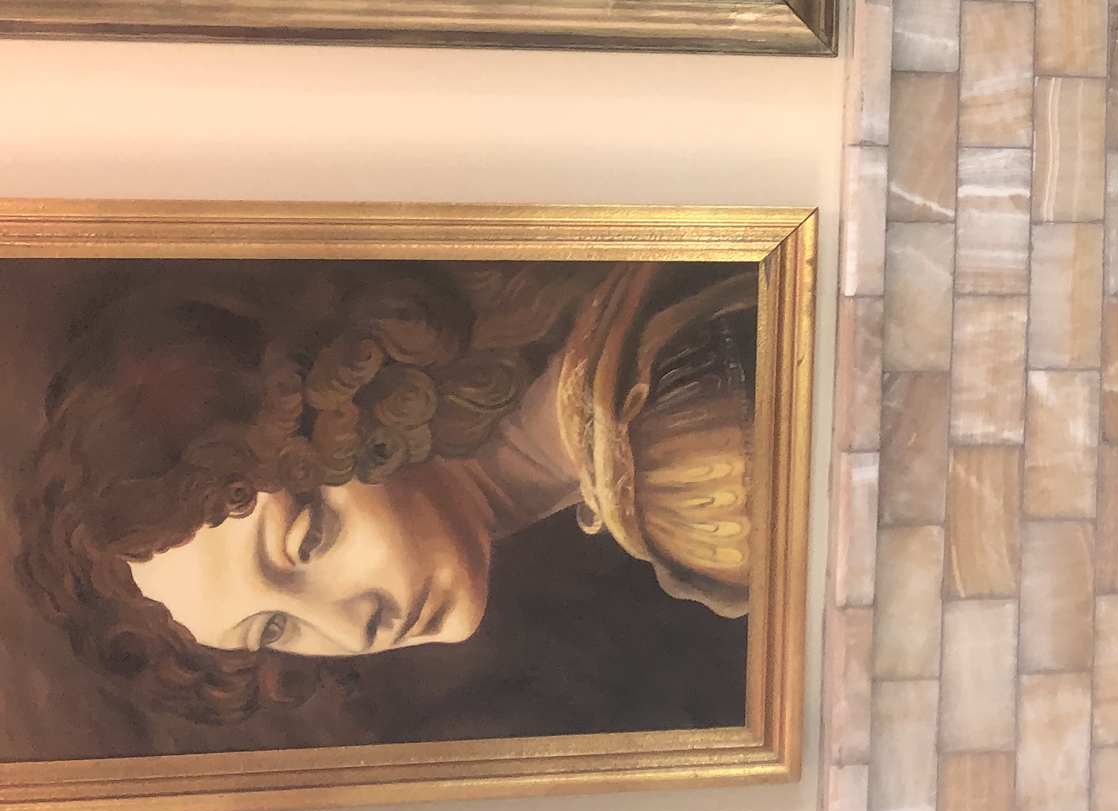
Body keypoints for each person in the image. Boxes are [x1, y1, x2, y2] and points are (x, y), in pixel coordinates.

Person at [12, 259, 755, 727]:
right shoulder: (600, 452)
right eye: (272, 629)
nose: (345, 626)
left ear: (351, 399)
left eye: (306, 540)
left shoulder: (691, 448)